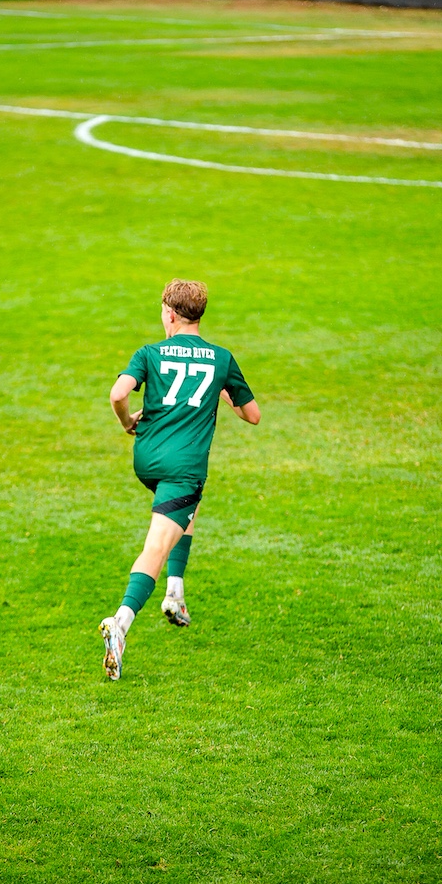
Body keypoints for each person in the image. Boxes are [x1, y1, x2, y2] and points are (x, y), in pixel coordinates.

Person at [99, 279, 261, 680]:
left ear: (170, 314)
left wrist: (126, 422)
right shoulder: (221, 358)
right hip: (183, 468)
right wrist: (222, 392)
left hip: (148, 459)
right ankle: (121, 623)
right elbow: (252, 415)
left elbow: (118, 394)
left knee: (189, 506)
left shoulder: (149, 353)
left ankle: (175, 591)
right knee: (156, 546)